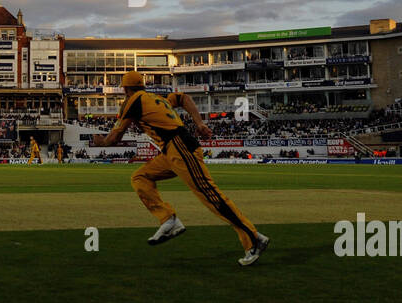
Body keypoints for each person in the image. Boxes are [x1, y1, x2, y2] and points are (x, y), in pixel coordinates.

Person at [92, 72, 270, 266]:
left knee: (211, 196)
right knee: (140, 177)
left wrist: (101, 141)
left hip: (179, 147)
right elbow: (184, 98)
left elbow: (114, 138)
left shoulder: (132, 101)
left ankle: (253, 239)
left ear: (125, 89)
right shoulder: (157, 98)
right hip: (173, 150)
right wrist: (199, 123)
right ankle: (169, 220)